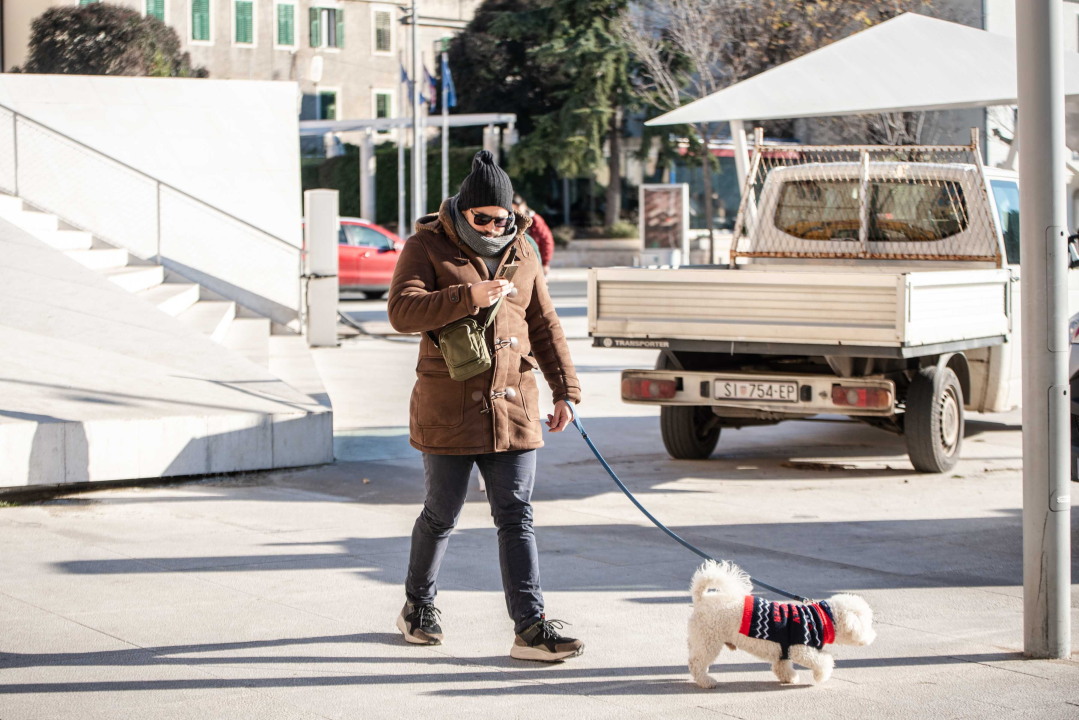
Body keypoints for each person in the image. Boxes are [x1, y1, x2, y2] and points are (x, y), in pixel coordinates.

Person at [387, 150, 584, 662]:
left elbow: (543, 324)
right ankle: (418, 606)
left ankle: (530, 627)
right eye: (485, 218)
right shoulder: (426, 245)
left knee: (516, 515)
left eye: (504, 217)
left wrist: (566, 389)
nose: (496, 226)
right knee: (441, 514)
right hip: (448, 407)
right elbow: (402, 311)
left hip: (513, 405)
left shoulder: (524, 251)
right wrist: (467, 296)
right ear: (461, 212)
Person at [512, 193, 554, 276]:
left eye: (517, 207)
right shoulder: (510, 220)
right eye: (513, 208)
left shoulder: (535, 220)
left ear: (524, 206)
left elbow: (546, 240)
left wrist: (545, 262)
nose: (516, 211)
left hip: (535, 259)